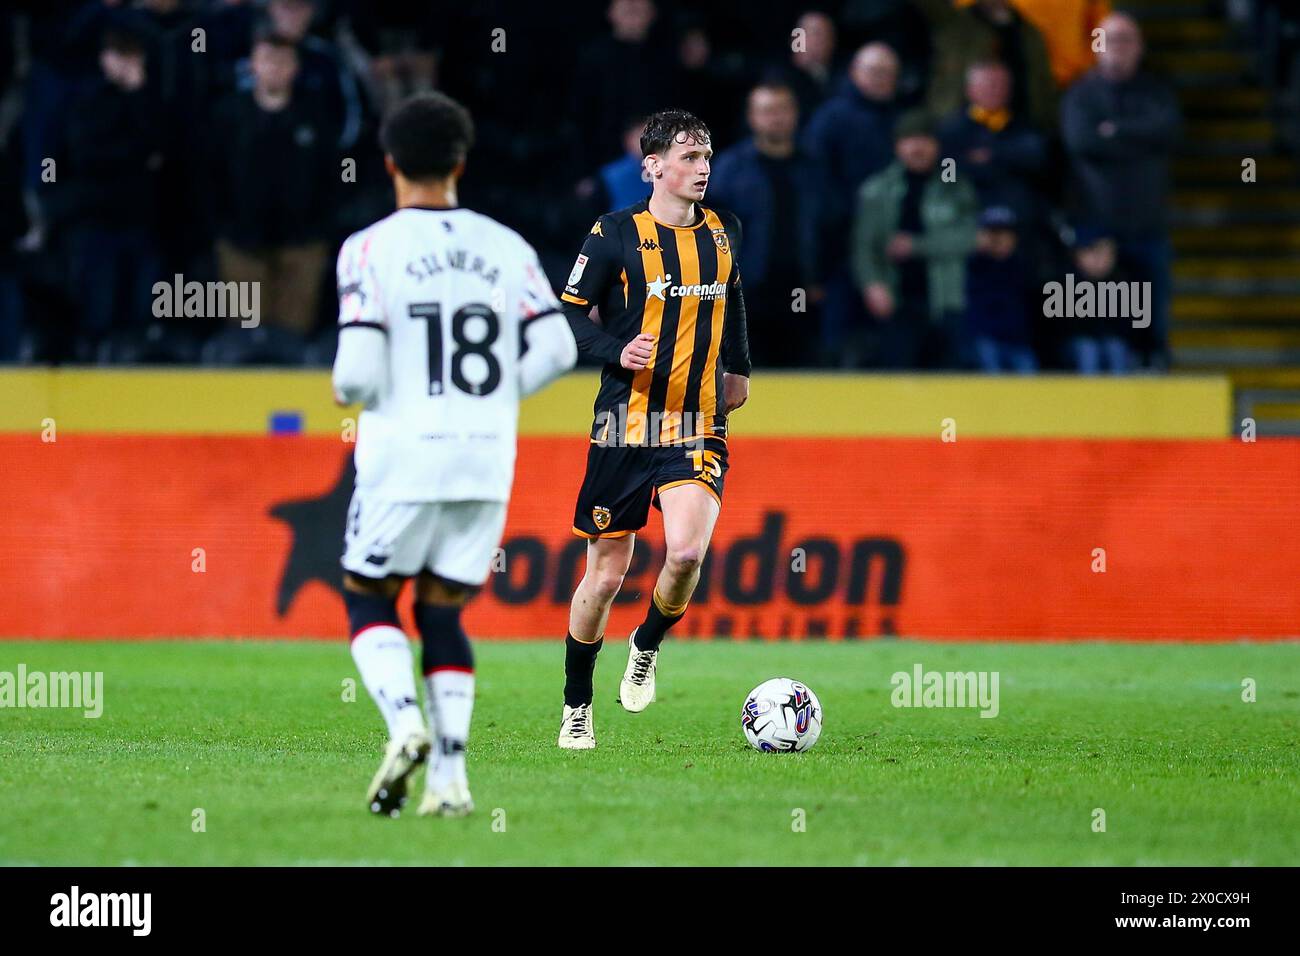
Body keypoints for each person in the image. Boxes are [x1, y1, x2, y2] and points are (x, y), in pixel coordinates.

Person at [332, 92, 578, 817]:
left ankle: (405, 724)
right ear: (460, 164)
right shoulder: (507, 246)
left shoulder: (370, 248)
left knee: (369, 596)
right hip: (484, 456)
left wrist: (361, 392)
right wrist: (499, 396)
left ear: (389, 165)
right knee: (444, 613)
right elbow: (560, 346)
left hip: (402, 455)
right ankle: (451, 781)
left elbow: (353, 373)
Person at [555, 109, 750, 749]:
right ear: (654, 167)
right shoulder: (612, 233)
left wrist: (740, 369)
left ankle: (646, 644)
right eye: (689, 157)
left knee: (688, 552)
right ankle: (577, 705)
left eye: (707, 156)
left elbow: (735, 302)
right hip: (621, 422)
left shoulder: (725, 233)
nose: (702, 169)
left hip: (697, 420)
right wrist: (615, 351)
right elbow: (569, 317)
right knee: (607, 576)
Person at [1060, 12, 1180, 367]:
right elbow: (1081, 141)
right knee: (1098, 315)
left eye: (1127, 40)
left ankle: (1152, 367)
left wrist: (1113, 132)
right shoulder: (1080, 94)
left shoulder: (1158, 91)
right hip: (1096, 225)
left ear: (1140, 47)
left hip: (1148, 224)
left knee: (1152, 308)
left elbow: (1168, 133)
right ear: (1097, 46)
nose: (1119, 48)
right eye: (1112, 40)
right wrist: (1137, 136)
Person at [208, 31, 336, 337]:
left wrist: (321, 226)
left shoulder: (316, 116)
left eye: (282, 60)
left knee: (293, 337)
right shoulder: (228, 115)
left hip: (303, 245)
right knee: (243, 337)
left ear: (296, 67)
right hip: (240, 244)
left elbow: (337, 175)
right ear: (252, 65)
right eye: (267, 59)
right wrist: (221, 226)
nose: (275, 68)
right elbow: (208, 174)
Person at [851, 110, 979, 369]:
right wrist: (872, 284)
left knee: (950, 385)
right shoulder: (876, 189)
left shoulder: (955, 187)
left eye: (925, 140)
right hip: (897, 301)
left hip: (947, 300)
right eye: (909, 140)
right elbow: (863, 246)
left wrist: (916, 246)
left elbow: (971, 238)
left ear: (936, 145)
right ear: (897, 146)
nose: (917, 147)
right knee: (899, 384)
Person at [709, 82, 823, 367]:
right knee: (741, 377)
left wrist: (822, 278)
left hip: (803, 290)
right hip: (745, 293)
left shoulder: (813, 167)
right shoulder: (729, 169)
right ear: (752, 117)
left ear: (796, 113)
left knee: (804, 376)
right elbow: (708, 229)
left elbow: (832, 226)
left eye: (783, 109)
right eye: (767, 110)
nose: (777, 117)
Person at [803, 42, 901, 363]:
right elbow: (815, 181)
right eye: (873, 71)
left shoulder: (902, 119)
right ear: (854, 73)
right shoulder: (831, 117)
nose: (880, 79)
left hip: (892, 244)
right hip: (840, 244)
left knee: (889, 333)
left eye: (887, 73)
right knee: (839, 332)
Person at [965, 206, 1037, 372]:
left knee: (1028, 368)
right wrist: (979, 251)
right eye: (993, 234)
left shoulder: (1023, 265)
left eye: (1004, 234)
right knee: (986, 353)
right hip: (986, 339)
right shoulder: (974, 265)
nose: (999, 240)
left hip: (1018, 340)